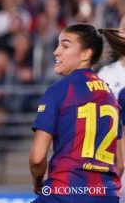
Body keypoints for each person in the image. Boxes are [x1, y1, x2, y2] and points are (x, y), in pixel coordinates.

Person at [29, 24, 125, 202]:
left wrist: (37, 182)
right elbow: (119, 165)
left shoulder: (59, 90)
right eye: (58, 45)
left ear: (86, 54)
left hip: (65, 194)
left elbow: (37, 157)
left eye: (65, 46)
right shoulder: (112, 96)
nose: (56, 52)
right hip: (107, 196)